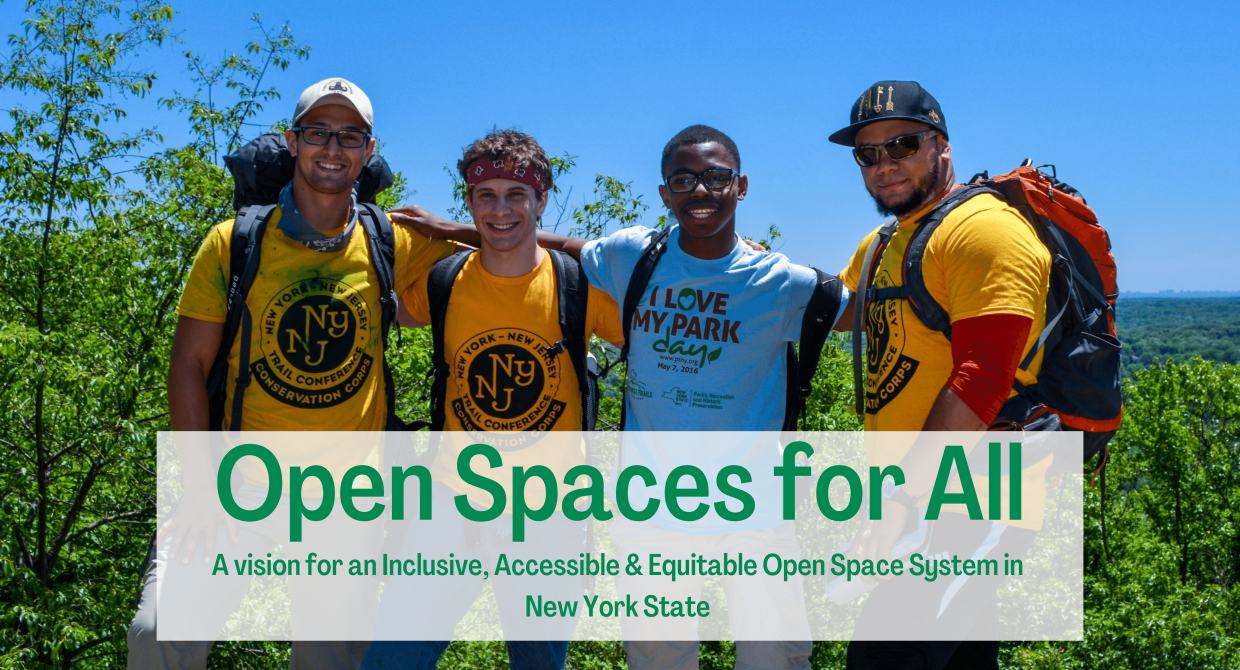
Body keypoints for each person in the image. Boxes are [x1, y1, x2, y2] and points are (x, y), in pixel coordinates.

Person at [399, 124, 847, 670]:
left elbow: (872, 309)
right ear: (665, 194)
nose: (700, 190)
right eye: (683, 179)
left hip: (754, 507)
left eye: (716, 177)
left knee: (772, 658)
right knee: (659, 658)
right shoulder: (636, 256)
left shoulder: (780, 281)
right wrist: (453, 231)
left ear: (741, 185)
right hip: (652, 508)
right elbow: (540, 242)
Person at [127, 77, 457, 669]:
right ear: (293, 140)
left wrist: (450, 230)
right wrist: (200, 489)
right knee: (157, 634)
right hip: (238, 487)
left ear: (369, 150)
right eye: (318, 133)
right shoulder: (235, 242)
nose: (333, 147)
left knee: (332, 658)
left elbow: (507, 243)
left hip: (349, 498)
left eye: (350, 135)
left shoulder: (392, 240)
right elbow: (188, 365)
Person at [360, 129, 625, 669]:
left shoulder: (580, 288)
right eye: (486, 196)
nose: (500, 210)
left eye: (516, 196)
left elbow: (669, 330)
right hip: (449, 507)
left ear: (541, 200)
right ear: (469, 201)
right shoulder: (444, 282)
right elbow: (361, 304)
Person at [829, 80, 1054, 669]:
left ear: (941, 147)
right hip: (920, 501)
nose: (884, 165)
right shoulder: (882, 244)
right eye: (867, 154)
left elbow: (984, 377)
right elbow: (839, 310)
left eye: (901, 145)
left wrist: (901, 500)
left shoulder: (984, 232)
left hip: (970, 500)